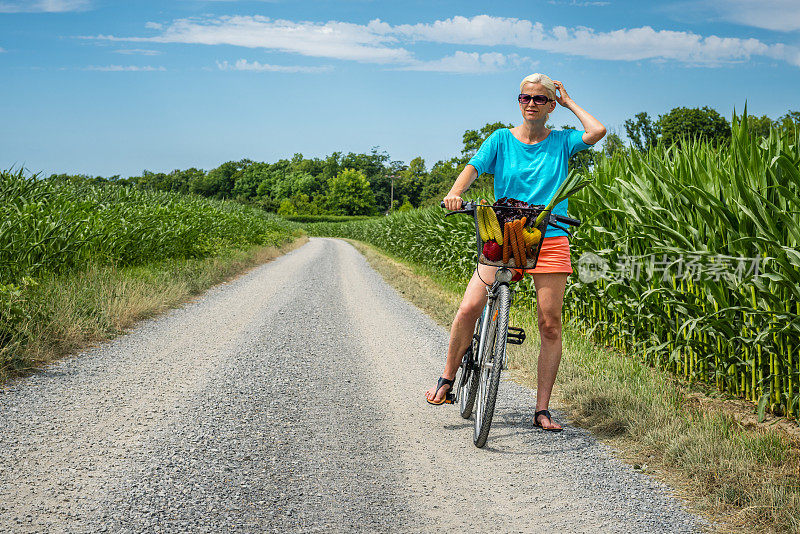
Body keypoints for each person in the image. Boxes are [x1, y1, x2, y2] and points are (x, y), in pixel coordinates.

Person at [425, 73, 606, 432]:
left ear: (550, 106)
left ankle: (541, 409)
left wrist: (569, 102)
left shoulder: (563, 142)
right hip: (506, 230)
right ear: (518, 102)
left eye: (540, 99)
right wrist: (455, 192)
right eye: (525, 98)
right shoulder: (500, 140)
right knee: (469, 307)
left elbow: (597, 131)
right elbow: (473, 168)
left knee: (550, 324)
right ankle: (447, 379)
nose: (531, 104)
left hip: (550, 234)